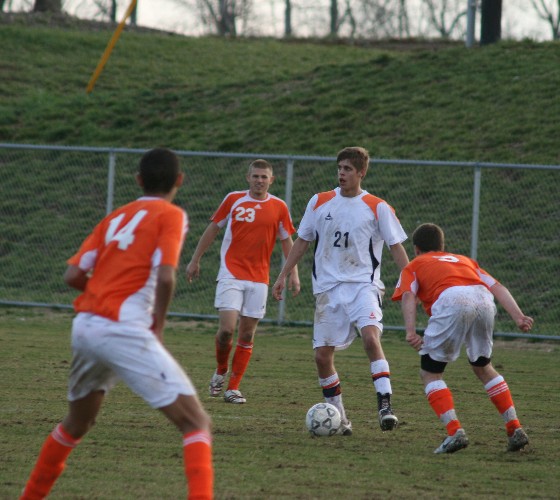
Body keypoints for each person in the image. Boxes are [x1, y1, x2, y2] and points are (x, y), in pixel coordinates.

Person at [20, 148, 213, 499]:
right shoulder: (171, 214)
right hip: (123, 329)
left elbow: (72, 274)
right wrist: (158, 325)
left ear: (138, 181)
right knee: (196, 423)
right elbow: (166, 276)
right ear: (179, 181)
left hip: (86, 326)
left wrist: (103, 293)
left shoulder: (115, 217)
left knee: (77, 424)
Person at [272, 146, 409, 435]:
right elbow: (302, 241)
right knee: (322, 357)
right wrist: (283, 274)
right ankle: (341, 419)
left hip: (363, 287)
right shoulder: (320, 201)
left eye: (348, 169)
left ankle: (385, 405)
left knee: (370, 338)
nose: (342, 173)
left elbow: (396, 246)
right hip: (328, 290)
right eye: (339, 168)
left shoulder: (377, 206)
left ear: (361, 172)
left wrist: (410, 280)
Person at [392, 222, 533, 454]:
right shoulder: (465, 260)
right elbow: (497, 287)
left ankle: (454, 431)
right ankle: (514, 427)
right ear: (442, 246)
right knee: (483, 366)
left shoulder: (414, 265)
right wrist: (518, 316)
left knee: (430, 373)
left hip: (452, 300)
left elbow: (408, 295)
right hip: (483, 299)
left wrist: (410, 331)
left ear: (416, 249)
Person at [186, 159, 300, 404]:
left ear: (271, 180)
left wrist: (293, 273)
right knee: (227, 330)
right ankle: (221, 370)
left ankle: (233, 388)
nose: (259, 180)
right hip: (230, 274)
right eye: (255, 176)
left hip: (259, 279)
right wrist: (195, 259)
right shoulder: (233, 199)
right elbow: (213, 229)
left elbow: (287, 241)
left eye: (264, 177)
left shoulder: (279, 206)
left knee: (247, 335)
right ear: (248, 178)